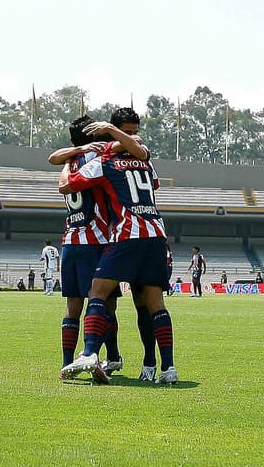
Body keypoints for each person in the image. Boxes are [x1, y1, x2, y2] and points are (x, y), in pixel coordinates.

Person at [60, 109, 177, 385]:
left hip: (128, 234)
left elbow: (67, 186)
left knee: (98, 291)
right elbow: (154, 183)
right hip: (157, 233)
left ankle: (90, 353)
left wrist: (70, 160)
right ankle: (164, 367)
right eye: (129, 131)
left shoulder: (104, 160)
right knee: (152, 303)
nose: (134, 136)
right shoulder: (144, 158)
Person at [47, 115, 129, 378]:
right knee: (105, 303)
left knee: (72, 308)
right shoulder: (97, 160)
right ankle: (109, 356)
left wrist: (77, 149)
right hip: (97, 241)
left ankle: (67, 362)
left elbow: (53, 158)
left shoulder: (69, 162)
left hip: (70, 242)